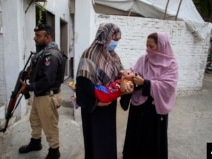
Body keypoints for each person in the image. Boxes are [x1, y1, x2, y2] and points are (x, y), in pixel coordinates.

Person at [75, 23, 133, 159]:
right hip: (94, 108)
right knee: (95, 142)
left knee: (107, 139)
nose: (115, 44)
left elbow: (120, 74)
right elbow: (83, 83)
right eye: (114, 40)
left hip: (109, 106)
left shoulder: (113, 56)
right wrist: (95, 103)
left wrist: (126, 83)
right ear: (105, 37)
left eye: (117, 41)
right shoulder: (89, 54)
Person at [120, 32, 179, 159]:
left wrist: (146, 83)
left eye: (151, 46)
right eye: (146, 46)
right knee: (135, 136)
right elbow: (134, 71)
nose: (148, 49)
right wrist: (128, 77)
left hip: (154, 110)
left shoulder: (171, 64)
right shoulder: (143, 59)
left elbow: (168, 87)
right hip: (138, 107)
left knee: (151, 140)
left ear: (161, 46)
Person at [19, 24, 65, 159]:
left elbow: (47, 80)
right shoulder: (43, 53)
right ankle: (35, 142)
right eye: (35, 35)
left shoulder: (51, 55)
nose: (35, 38)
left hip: (47, 95)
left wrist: (29, 87)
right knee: (35, 120)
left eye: (38, 36)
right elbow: (40, 73)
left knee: (50, 125)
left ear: (48, 37)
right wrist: (29, 75)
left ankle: (54, 151)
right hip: (40, 95)